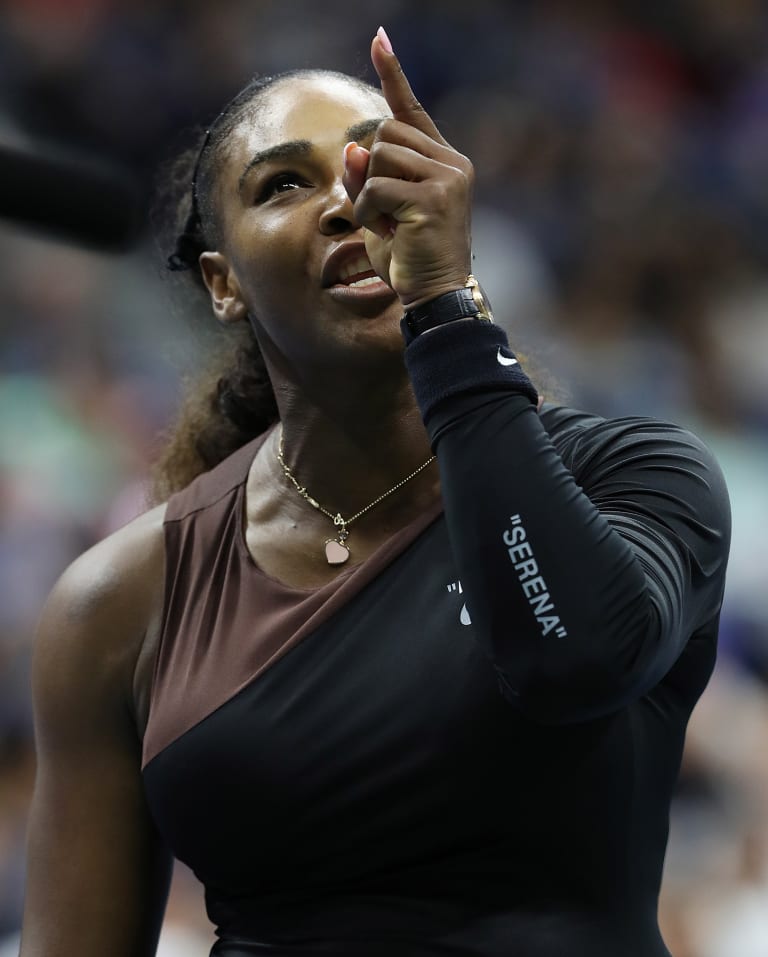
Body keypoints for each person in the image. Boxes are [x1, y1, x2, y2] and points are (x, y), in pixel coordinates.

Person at [20, 26, 731, 957]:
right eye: (284, 184)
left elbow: (574, 659)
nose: (346, 200)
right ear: (223, 285)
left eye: (372, 163)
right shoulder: (118, 602)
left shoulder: (637, 475)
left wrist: (447, 307)